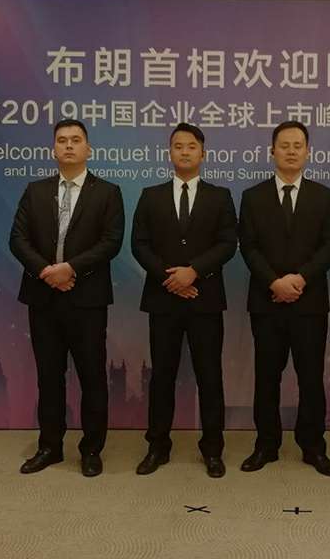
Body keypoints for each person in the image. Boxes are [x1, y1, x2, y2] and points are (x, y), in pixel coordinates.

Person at [10, 119, 125, 477]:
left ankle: (91, 450)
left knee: (92, 377)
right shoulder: (35, 191)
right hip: (43, 297)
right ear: (53, 149)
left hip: (86, 299)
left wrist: (70, 269)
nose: (69, 145)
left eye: (76, 140)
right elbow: (18, 239)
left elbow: (111, 242)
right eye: (62, 140)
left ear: (88, 149)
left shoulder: (107, 192)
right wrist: (47, 272)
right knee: (49, 376)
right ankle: (50, 446)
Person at [131, 123, 237, 478]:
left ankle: (213, 449)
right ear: (169, 153)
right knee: (161, 375)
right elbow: (139, 244)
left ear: (203, 153)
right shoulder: (151, 196)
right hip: (163, 300)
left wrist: (194, 272)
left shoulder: (220, 196)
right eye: (178, 146)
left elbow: (228, 243)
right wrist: (171, 279)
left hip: (205, 299)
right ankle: (157, 447)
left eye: (192, 146)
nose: (185, 151)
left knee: (210, 376)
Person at [239, 120, 330, 476]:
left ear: (308, 152)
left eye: (298, 145)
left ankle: (313, 447)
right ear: (272, 151)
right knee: (267, 377)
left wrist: (300, 278)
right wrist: (274, 282)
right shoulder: (253, 196)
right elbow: (248, 246)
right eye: (285, 145)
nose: (292, 151)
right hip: (267, 302)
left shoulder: (323, 196)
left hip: (309, 303)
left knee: (311, 378)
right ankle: (266, 445)